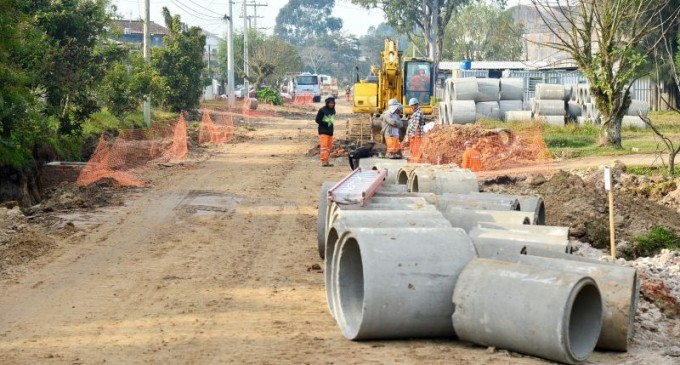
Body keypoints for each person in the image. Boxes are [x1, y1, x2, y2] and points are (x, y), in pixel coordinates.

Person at [402, 98, 425, 162]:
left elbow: (415, 125)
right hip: (415, 135)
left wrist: (411, 134)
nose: (411, 108)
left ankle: (415, 161)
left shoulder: (417, 113)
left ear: (415, 105)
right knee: (413, 148)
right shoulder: (416, 113)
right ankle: (414, 160)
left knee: (415, 148)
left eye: (411, 106)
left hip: (416, 135)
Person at [316, 95, 336, 167]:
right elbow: (317, 120)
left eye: (332, 103)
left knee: (329, 147)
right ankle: (324, 161)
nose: (331, 104)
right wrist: (325, 123)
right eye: (330, 103)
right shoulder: (322, 110)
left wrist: (330, 126)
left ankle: (327, 161)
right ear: (327, 103)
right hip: (323, 131)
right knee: (324, 147)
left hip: (330, 131)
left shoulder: (333, 110)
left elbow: (331, 121)